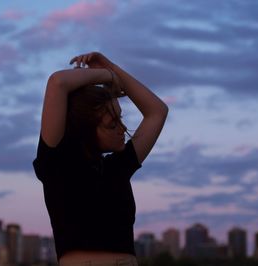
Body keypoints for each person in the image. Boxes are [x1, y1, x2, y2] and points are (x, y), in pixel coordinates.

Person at [33, 52, 168, 266]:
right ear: (86, 128)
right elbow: (58, 83)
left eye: (120, 119)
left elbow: (157, 112)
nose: (122, 129)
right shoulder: (57, 164)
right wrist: (108, 76)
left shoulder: (117, 167)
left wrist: (114, 67)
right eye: (111, 125)